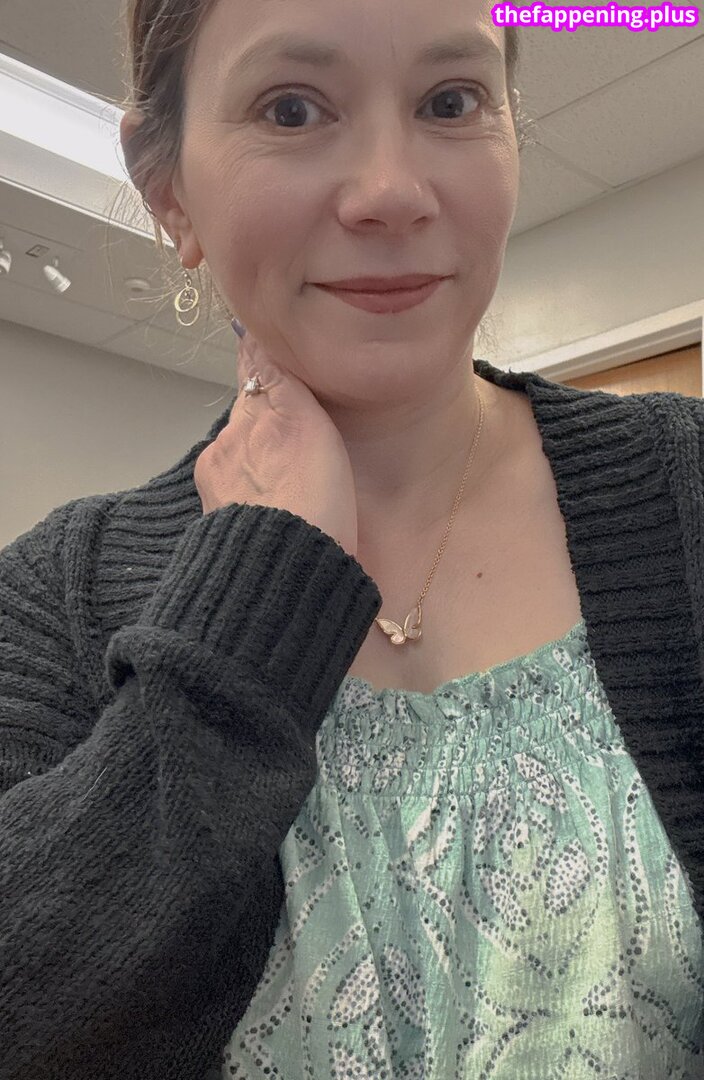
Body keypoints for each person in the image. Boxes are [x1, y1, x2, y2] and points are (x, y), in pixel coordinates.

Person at [0, 0, 702, 1076]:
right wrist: (249, 602)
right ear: (170, 191)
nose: (391, 190)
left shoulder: (683, 484)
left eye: (450, 101)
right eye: (291, 109)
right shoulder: (51, 598)